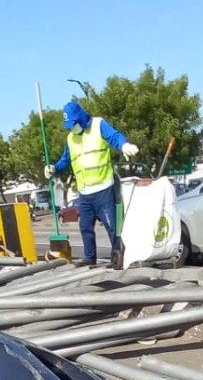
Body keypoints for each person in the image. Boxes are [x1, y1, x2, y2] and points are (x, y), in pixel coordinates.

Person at [45, 101, 138, 265]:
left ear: (81, 117)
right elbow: (65, 160)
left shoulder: (98, 125)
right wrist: (54, 168)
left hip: (104, 188)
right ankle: (90, 259)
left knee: (113, 227)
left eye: (74, 123)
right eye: (69, 125)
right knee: (85, 228)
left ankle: (118, 257)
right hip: (84, 193)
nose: (72, 128)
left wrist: (123, 144)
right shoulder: (70, 138)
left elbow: (114, 136)